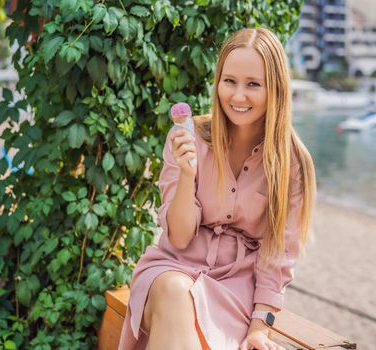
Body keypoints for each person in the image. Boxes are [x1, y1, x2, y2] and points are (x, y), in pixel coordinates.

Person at [118, 27, 316, 350]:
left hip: (235, 292)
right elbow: (179, 238)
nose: (238, 96)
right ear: (218, 83)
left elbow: (275, 261)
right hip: (172, 270)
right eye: (229, 81)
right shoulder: (188, 137)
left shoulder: (292, 164)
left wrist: (259, 329)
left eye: (253, 84)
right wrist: (186, 173)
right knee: (175, 293)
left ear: (275, 89)